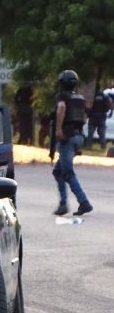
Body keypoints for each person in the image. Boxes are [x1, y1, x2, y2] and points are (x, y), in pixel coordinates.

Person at [51, 69, 93, 216]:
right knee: (58, 171)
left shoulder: (62, 96)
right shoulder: (80, 98)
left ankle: (84, 202)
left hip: (67, 138)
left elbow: (61, 108)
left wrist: (58, 129)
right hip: (78, 138)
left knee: (67, 172)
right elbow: (84, 116)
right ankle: (63, 204)